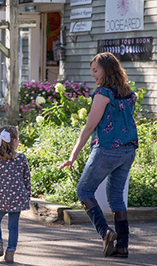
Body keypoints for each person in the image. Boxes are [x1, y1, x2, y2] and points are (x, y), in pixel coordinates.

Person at [60, 52, 138, 258]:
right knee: (116, 197)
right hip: (129, 150)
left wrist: (73, 155)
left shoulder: (103, 94)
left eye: (95, 70)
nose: (93, 75)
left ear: (106, 69)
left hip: (107, 150)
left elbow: (89, 127)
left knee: (84, 190)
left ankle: (105, 233)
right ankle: (122, 246)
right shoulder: (128, 92)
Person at [0, 125, 31, 263]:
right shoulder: (21, 158)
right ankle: (10, 251)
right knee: (13, 226)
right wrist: (28, 195)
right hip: (17, 197)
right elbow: (26, 178)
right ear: (15, 140)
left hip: (1, 197)